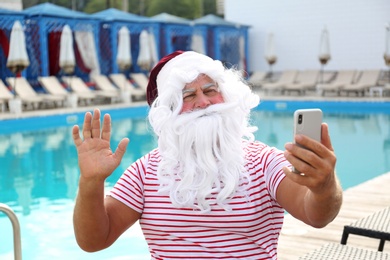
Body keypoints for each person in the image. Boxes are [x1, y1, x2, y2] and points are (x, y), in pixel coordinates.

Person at [72, 51, 342, 259]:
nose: (203, 102)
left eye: (211, 90)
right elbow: (94, 241)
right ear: (169, 111)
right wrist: (91, 182)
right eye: (188, 95)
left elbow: (316, 215)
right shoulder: (145, 172)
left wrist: (324, 185)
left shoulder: (264, 162)